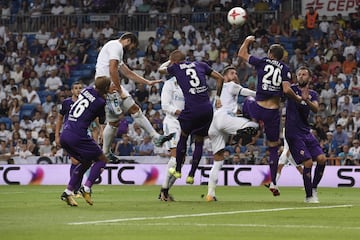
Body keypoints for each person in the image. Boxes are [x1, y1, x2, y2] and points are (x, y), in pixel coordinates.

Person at [238, 35, 301, 196]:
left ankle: (248, 124)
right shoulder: (285, 69)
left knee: (247, 100)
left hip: (257, 107)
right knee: (273, 147)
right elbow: (287, 90)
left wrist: (247, 41)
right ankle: (273, 182)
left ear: (270, 54)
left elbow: (242, 54)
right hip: (272, 112)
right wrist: (297, 98)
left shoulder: (262, 62)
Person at [95, 32, 173, 160]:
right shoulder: (116, 46)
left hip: (110, 85)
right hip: (106, 86)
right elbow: (112, 69)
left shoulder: (115, 49)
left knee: (133, 111)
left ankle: (156, 137)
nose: (131, 50)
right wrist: (119, 89)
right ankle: (106, 152)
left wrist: (147, 82)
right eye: (132, 46)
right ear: (128, 40)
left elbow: (127, 72)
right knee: (114, 122)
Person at [159, 50, 224, 184]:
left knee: (184, 136)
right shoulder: (201, 64)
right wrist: (217, 97)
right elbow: (220, 78)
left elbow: (161, 70)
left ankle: (177, 170)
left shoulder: (176, 68)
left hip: (192, 109)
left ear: (174, 62)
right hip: (207, 109)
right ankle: (192, 175)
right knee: (199, 140)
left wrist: (170, 62)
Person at [206, 66, 259, 201]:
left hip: (213, 124)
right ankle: (238, 137)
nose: (235, 75)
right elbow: (248, 93)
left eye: (236, 73)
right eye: (232, 73)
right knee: (253, 125)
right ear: (224, 76)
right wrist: (264, 95)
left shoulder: (217, 91)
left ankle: (210, 194)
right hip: (223, 118)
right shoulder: (230, 84)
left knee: (218, 161)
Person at [60, 76, 111, 207]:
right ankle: (86, 188)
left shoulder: (86, 90)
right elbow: (101, 121)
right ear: (106, 88)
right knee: (102, 160)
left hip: (65, 134)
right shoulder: (101, 101)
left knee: (86, 162)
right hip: (78, 135)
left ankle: (68, 192)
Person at [285, 66, 327, 203]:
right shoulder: (291, 89)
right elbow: (285, 90)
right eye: (299, 74)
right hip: (293, 132)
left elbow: (315, 109)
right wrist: (298, 98)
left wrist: (306, 100)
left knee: (322, 158)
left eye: (304, 74)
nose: (301, 76)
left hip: (305, 131)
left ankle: (313, 188)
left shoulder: (312, 93)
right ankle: (309, 197)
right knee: (308, 162)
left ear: (309, 77)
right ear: (296, 77)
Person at [158, 76, 185, 201]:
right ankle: (164, 190)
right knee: (175, 157)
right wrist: (180, 112)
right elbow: (165, 105)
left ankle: (165, 191)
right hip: (172, 122)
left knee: (181, 161)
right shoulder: (169, 84)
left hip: (185, 124)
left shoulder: (188, 84)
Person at [55, 81, 83, 195]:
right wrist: (57, 135)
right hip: (69, 134)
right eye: (76, 88)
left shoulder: (85, 103)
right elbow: (60, 119)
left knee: (82, 162)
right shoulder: (66, 103)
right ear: (72, 91)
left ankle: (76, 188)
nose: (78, 90)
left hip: (82, 135)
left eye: (80, 88)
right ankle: (73, 189)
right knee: (75, 160)